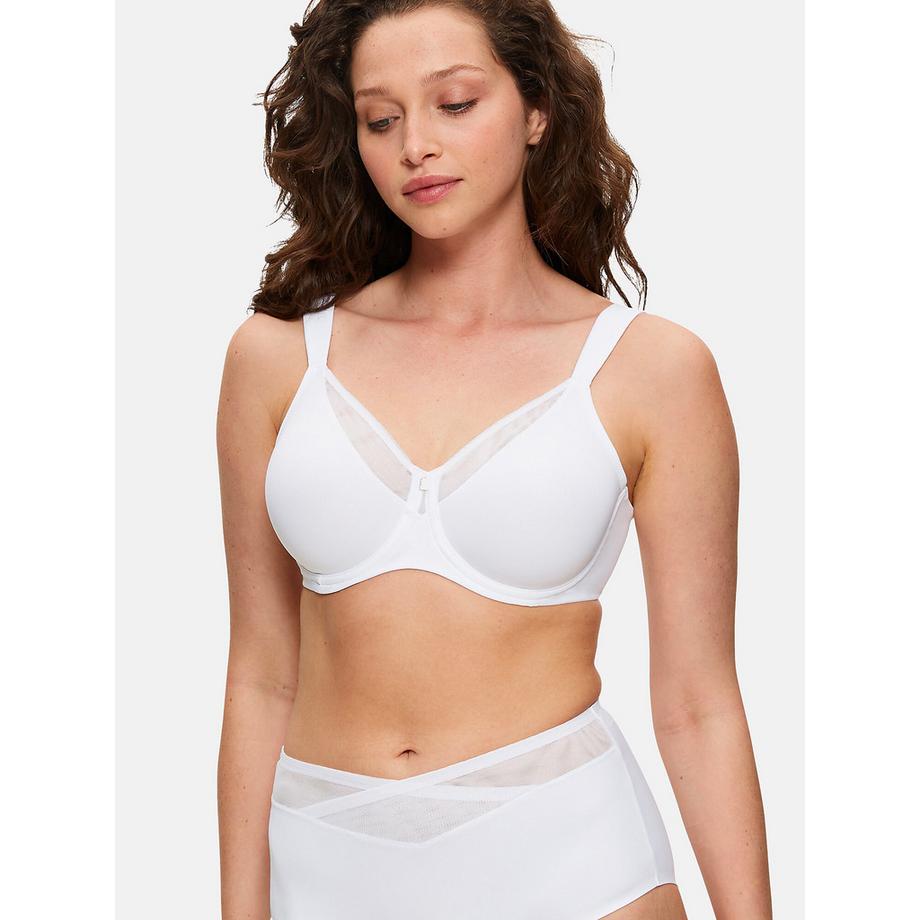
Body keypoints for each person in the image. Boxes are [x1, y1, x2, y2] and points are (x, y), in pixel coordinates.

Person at [216, 1, 771, 918]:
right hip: (326, 861)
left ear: (537, 109)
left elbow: (697, 701)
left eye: (456, 104)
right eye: (381, 119)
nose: (416, 146)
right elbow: (260, 675)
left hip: (571, 858)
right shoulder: (276, 359)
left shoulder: (652, 370)